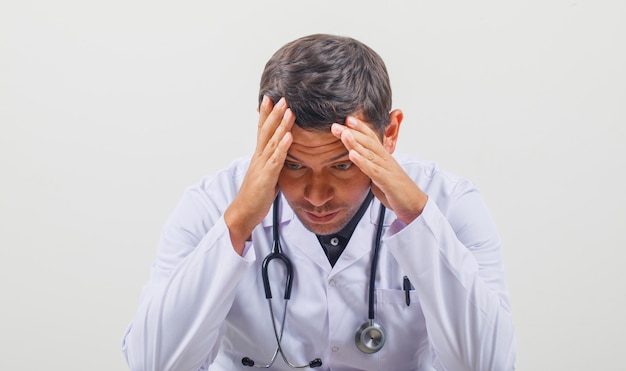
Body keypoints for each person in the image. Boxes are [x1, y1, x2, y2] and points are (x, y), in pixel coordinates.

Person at [122, 33, 516, 371]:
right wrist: (239, 223)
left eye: (343, 165)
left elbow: (488, 364)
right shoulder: (211, 204)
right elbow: (153, 363)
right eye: (293, 164)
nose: (316, 195)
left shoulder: (451, 204)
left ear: (389, 133)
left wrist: (417, 218)